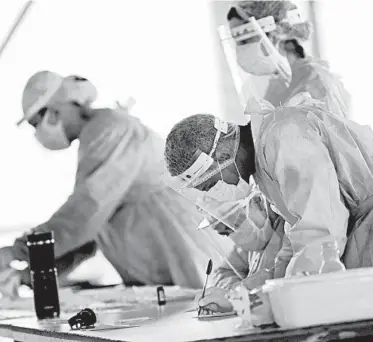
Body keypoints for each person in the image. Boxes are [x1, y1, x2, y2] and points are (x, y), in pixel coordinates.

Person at [0, 70, 231, 298]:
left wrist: (20, 250)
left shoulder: (111, 129)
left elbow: (85, 212)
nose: (38, 133)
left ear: (53, 111)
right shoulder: (95, 139)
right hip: (158, 268)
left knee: (207, 315)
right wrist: (30, 275)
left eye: (35, 124)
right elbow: (86, 237)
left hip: (184, 249)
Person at [164, 93, 373, 314]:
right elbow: (292, 250)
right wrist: (239, 295)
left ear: (223, 153)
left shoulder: (285, 137)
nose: (216, 195)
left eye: (210, 186)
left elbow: (320, 237)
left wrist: (255, 301)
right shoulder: (265, 166)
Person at [227, 1, 352, 118]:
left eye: (244, 40)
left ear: (275, 34)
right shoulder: (281, 84)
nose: (240, 50)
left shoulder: (316, 87)